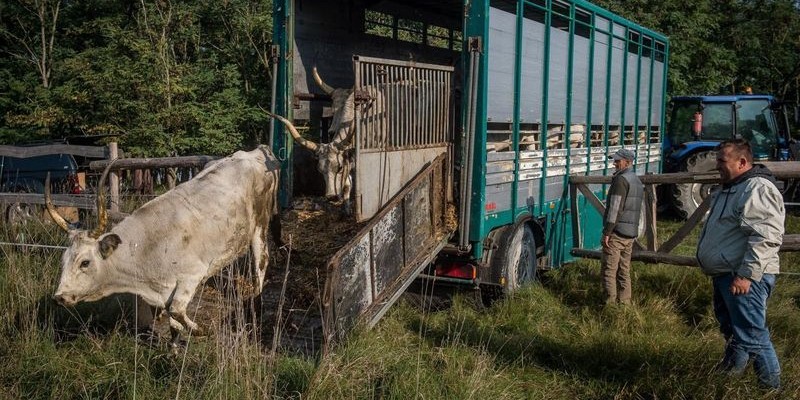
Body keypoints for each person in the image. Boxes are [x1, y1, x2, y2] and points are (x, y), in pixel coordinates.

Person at [696, 139, 784, 389]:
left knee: (753, 336)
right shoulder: (732, 187)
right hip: (727, 274)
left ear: (742, 162)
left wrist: (746, 275)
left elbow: (765, 236)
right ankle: (729, 377)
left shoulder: (756, 188)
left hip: (743, 277)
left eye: (722, 161)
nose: (717, 166)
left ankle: (771, 390)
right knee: (735, 333)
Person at [601, 148, 643, 305]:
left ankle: (609, 304)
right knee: (624, 270)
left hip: (617, 233)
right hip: (630, 233)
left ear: (627, 162)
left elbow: (615, 208)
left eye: (618, 161)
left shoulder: (621, 180)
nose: (614, 163)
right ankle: (625, 303)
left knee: (609, 270)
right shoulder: (636, 180)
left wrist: (607, 231)